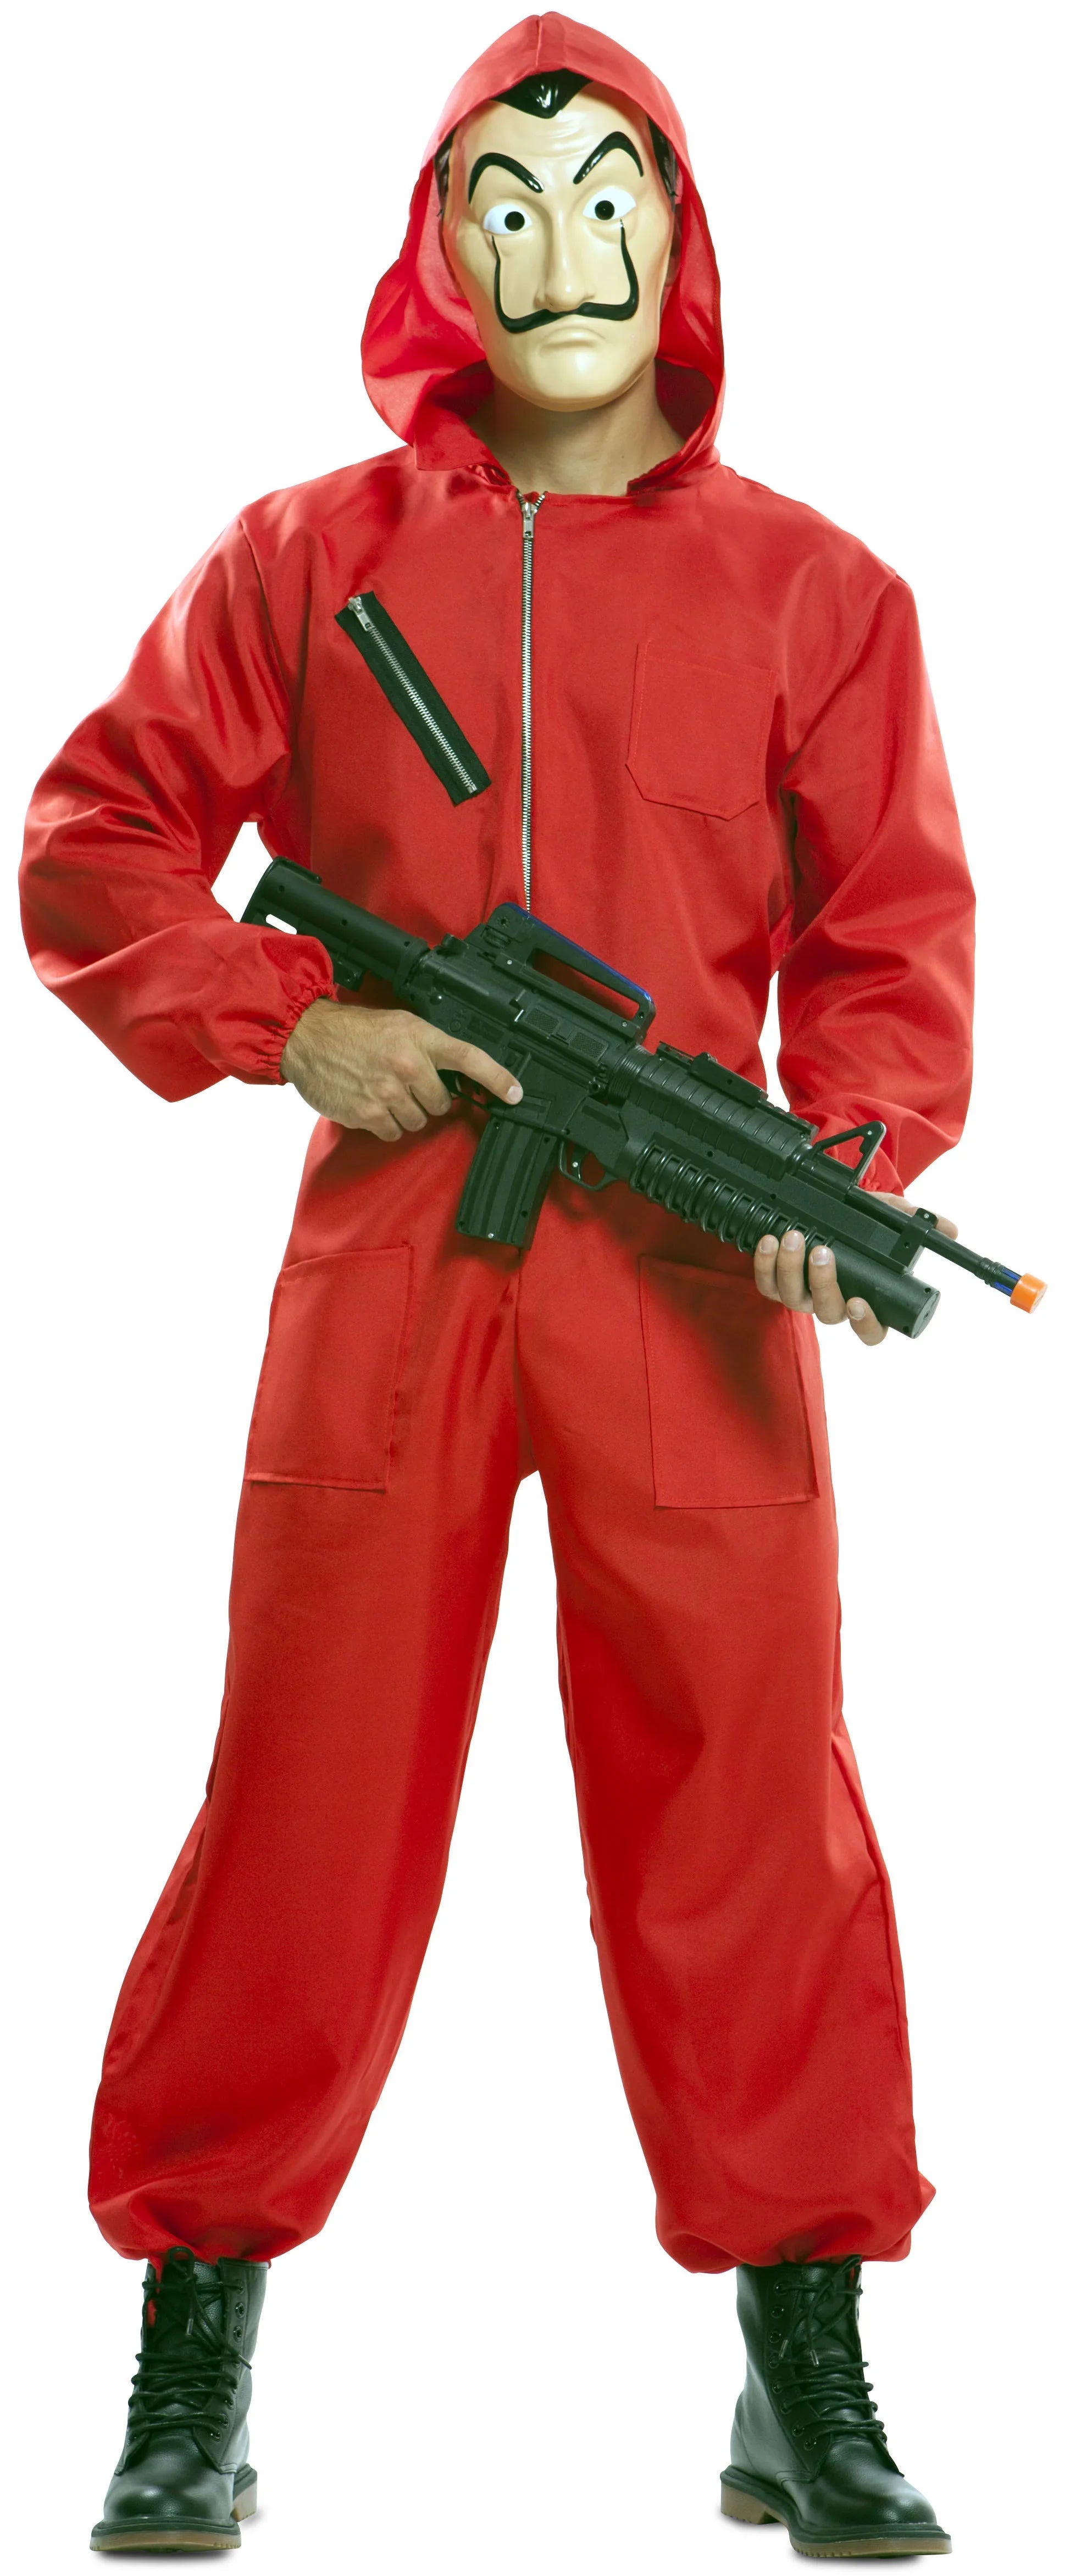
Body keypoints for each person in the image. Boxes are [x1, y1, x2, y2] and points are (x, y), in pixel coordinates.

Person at [20, 13, 973, 2558]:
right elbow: (97, 839)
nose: (564, 244)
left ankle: (803, 2352)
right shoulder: (301, 560)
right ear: (438, 246)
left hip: (696, 1279)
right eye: (507, 197)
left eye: (610, 190)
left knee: (750, 1807)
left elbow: (889, 948)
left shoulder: (823, 593)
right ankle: (193, 2337)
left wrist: (849, 1165)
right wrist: (288, 1023)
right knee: (306, 1790)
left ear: (683, 237)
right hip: (390, 1266)